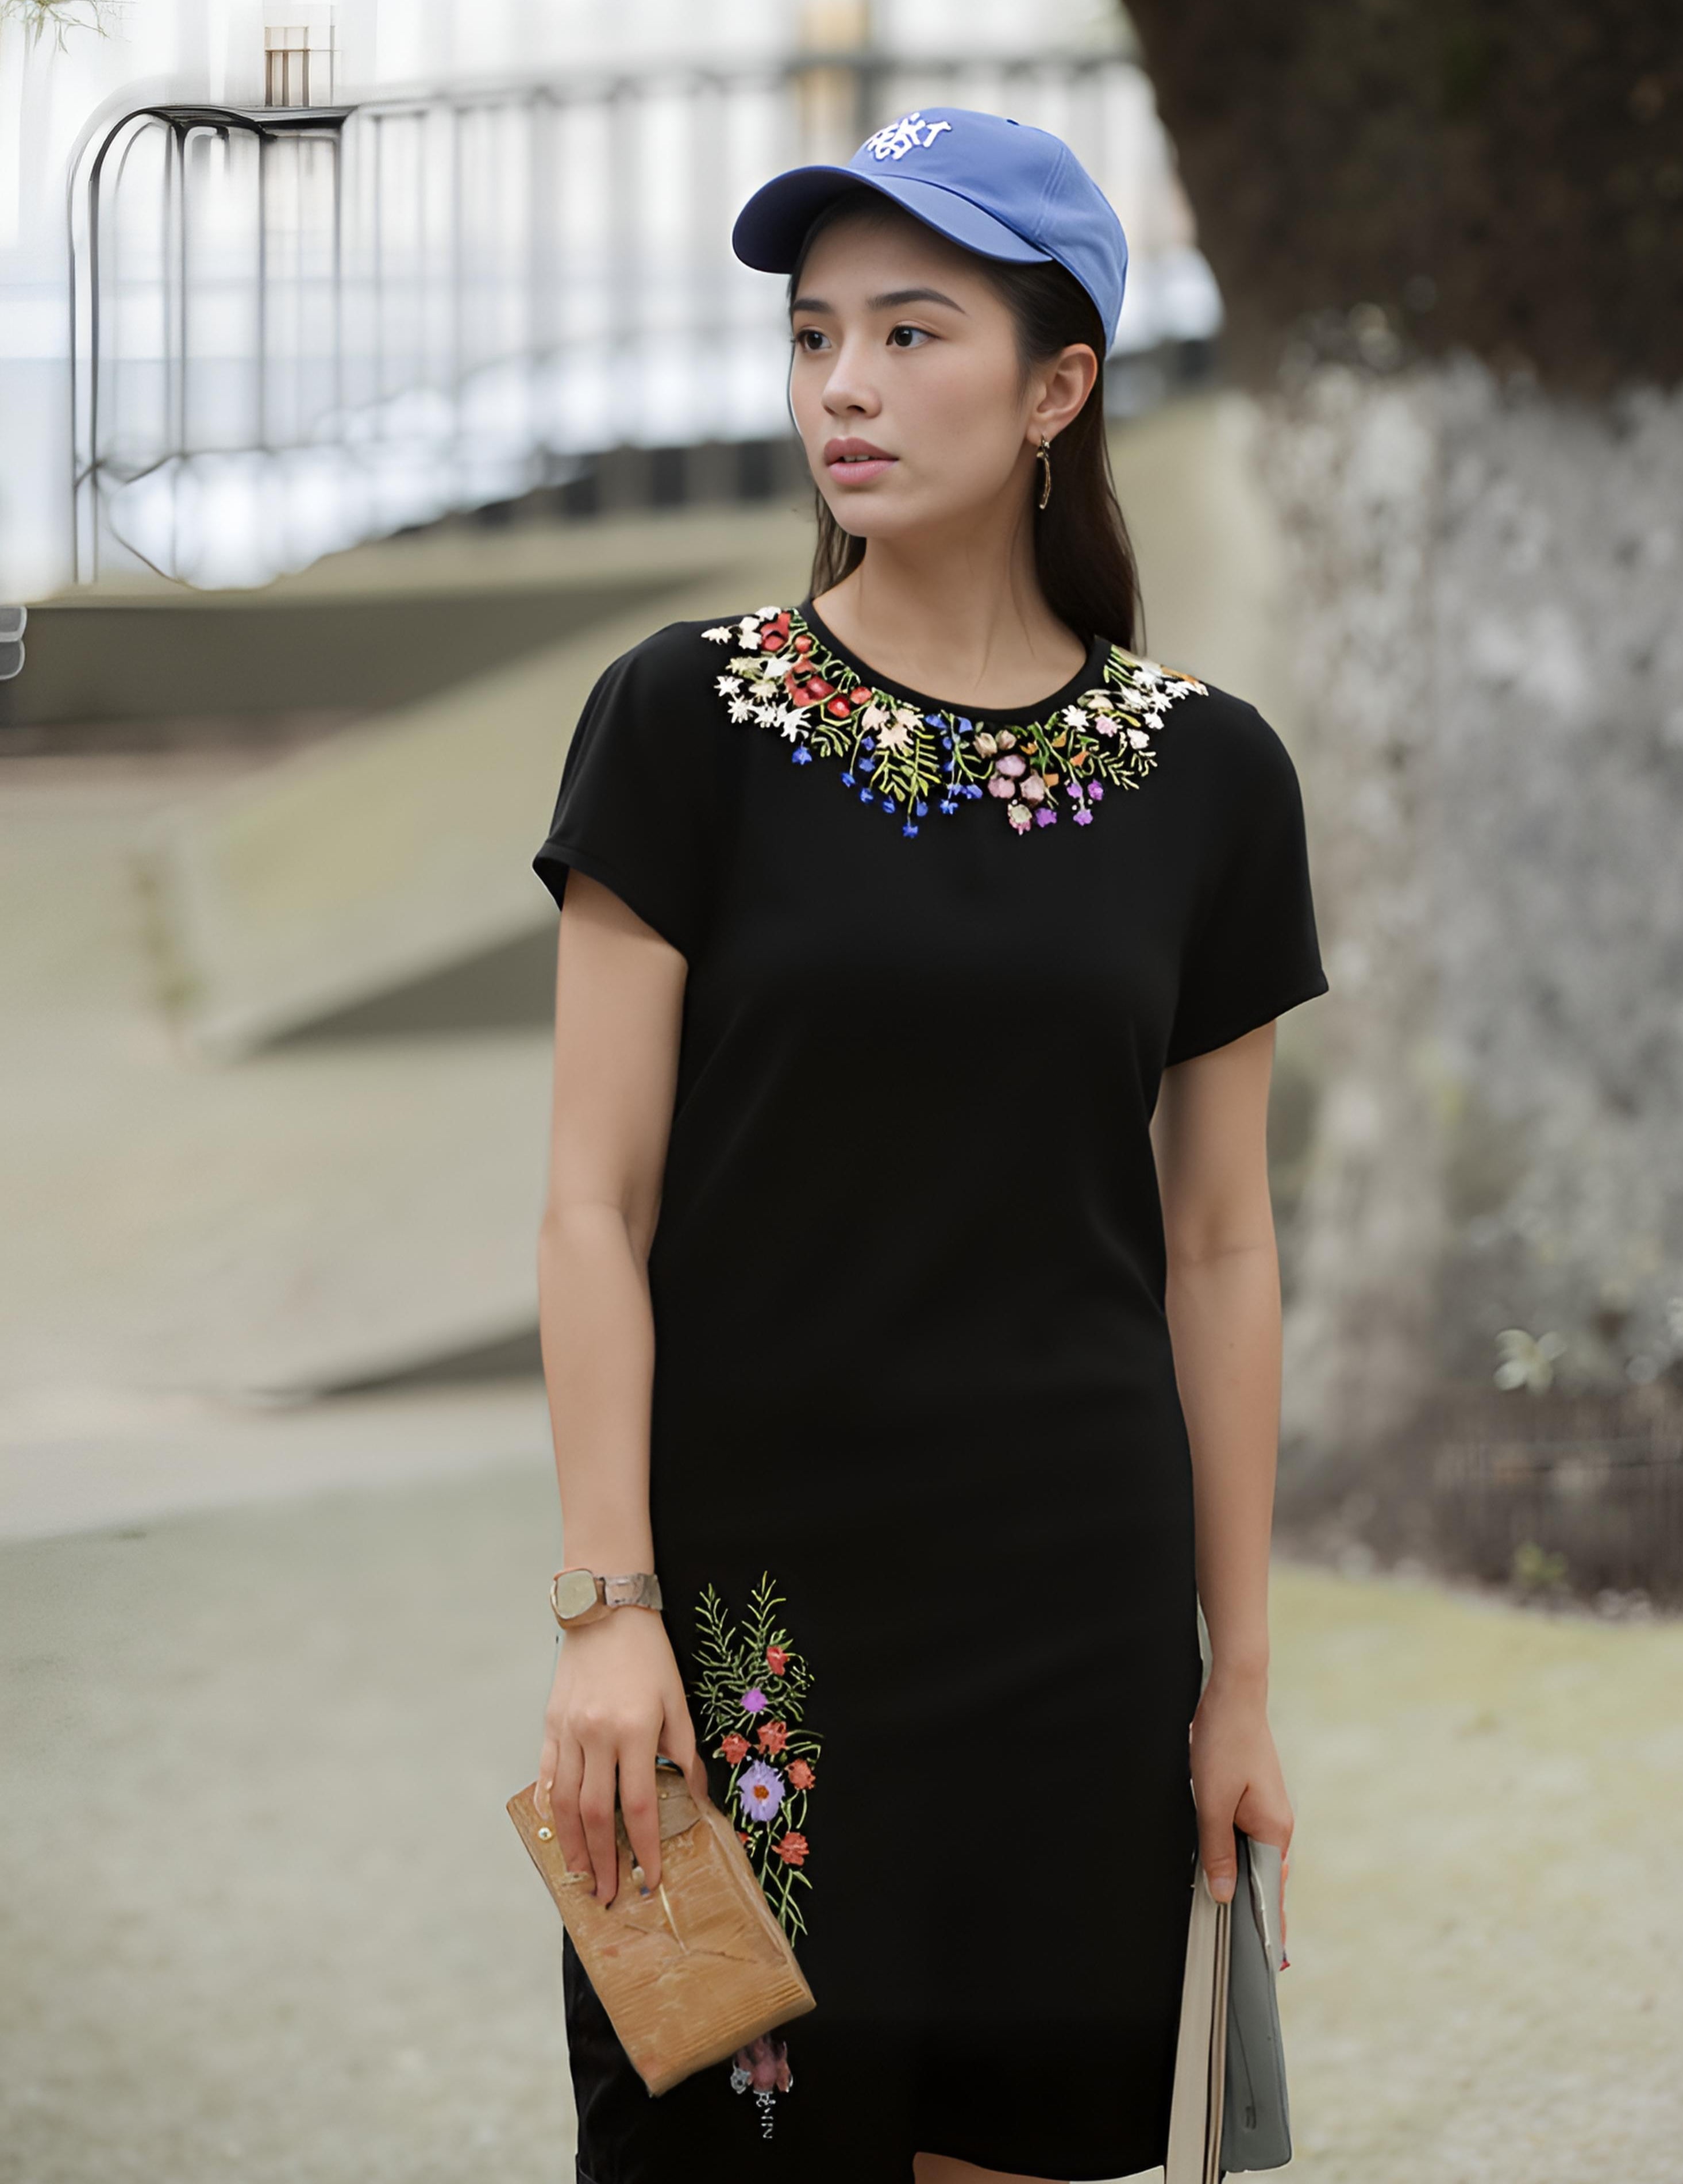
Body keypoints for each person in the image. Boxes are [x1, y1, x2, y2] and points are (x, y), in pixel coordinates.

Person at [529, 105, 1328, 2184]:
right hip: (732, 1638)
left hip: (1075, 1634)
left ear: (1061, 385)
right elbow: (592, 1205)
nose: (846, 390)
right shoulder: (681, 720)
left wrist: (1238, 1683)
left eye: (910, 331)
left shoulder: (1214, 779)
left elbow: (1223, 1248)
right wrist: (608, 1610)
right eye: (813, 338)